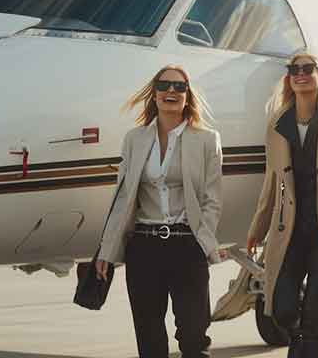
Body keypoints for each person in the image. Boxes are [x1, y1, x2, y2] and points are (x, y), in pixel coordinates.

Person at [95, 65, 222, 358]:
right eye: (164, 85)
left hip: (187, 245)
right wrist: (107, 249)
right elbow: (123, 198)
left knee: (193, 336)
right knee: (149, 338)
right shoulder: (134, 139)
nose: (171, 92)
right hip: (144, 247)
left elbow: (212, 199)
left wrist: (201, 242)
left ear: (188, 96)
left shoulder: (206, 140)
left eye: (179, 87)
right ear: (154, 94)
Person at [246, 52, 318, 358]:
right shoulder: (277, 124)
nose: (300, 73)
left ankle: (306, 344)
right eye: (294, 69)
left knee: (316, 314)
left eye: (307, 68)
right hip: (290, 233)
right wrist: (257, 229)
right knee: (282, 309)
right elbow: (272, 183)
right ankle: (301, 339)